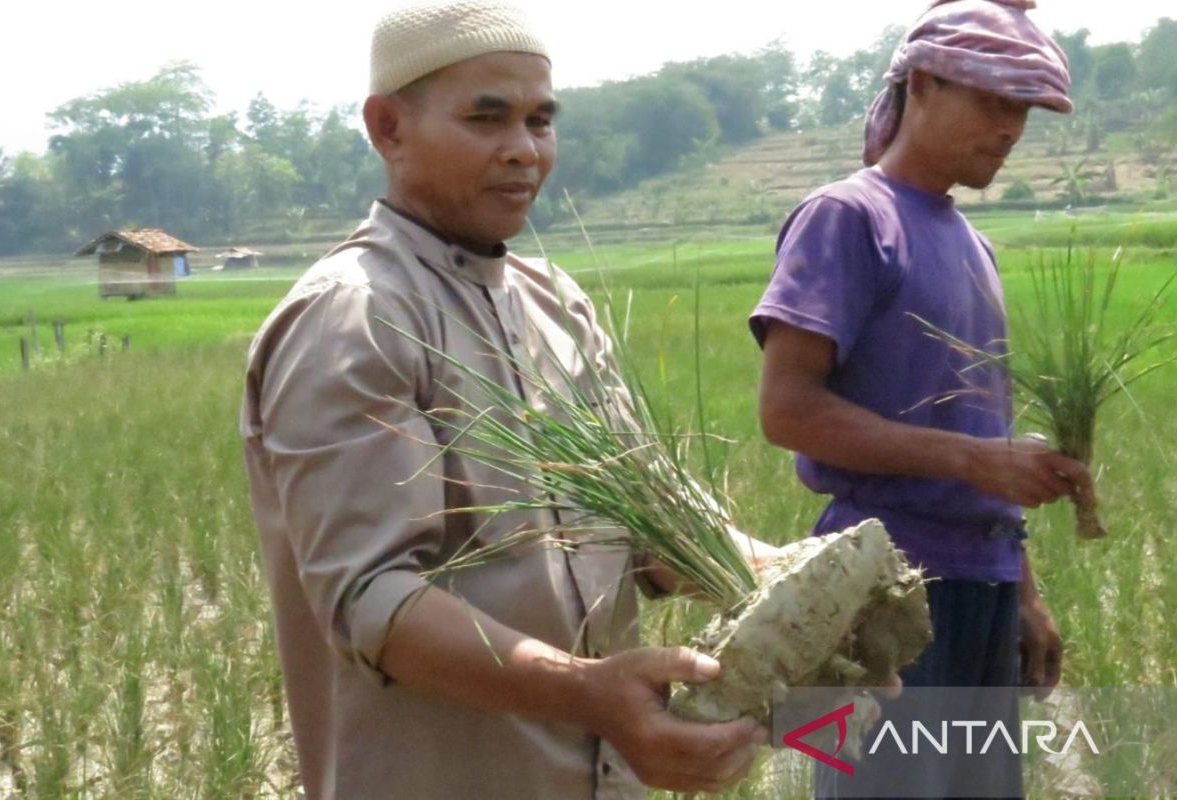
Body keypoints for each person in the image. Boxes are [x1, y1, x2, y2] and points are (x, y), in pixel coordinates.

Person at [240, 4, 771, 798]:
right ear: (388, 128)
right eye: (487, 119)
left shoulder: (555, 304)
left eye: (539, 120)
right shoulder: (355, 316)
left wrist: (780, 583)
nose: (524, 150)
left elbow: (648, 523)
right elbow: (373, 598)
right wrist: (590, 692)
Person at [748, 0, 1094, 796]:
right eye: (995, 102)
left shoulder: (975, 244)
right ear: (926, 84)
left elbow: (985, 433)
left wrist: (1025, 593)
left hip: (985, 588)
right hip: (877, 595)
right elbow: (786, 409)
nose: (1011, 128)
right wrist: (972, 461)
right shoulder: (847, 217)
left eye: (1025, 111)